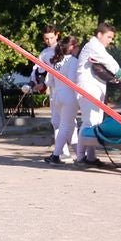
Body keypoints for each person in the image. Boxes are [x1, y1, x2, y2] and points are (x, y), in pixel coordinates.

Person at [74, 22, 120, 167]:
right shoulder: (93, 46)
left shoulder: (97, 47)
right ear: (99, 34)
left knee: (95, 123)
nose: (110, 40)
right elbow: (109, 62)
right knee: (89, 122)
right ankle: (80, 158)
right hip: (88, 89)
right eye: (108, 37)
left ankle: (91, 158)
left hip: (94, 88)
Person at [45, 35, 80, 164]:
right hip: (69, 96)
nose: (78, 49)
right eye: (76, 46)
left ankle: (80, 154)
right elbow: (72, 80)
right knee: (66, 126)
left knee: (71, 127)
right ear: (71, 47)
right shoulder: (73, 61)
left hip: (57, 96)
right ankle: (55, 155)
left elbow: (49, 81)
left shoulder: (56, 62)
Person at [34, 26, 60, 92]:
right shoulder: (43, 54)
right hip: (53, 88)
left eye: (51, 38)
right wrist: (41, 83)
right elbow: (39, 70)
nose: (49, 41)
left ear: (56, 36)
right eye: (46, 39)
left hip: (66, 84)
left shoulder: (63, 49)